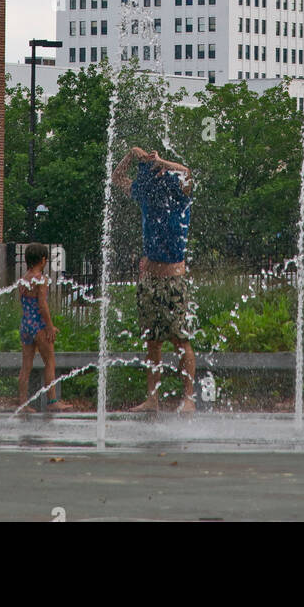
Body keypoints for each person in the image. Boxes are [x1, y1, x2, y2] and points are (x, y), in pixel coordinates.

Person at [112, 145, 195, 414]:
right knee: (152, 342)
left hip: (173, 280)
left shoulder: (177, 190)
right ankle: (152, 398)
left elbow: (188, 173)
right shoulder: (145, 192)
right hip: (150, 280)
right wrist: (131, 154)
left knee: (180, 339)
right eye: (149, 161)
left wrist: (164, 162)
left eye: (154, 160)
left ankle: (189, 398)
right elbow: (116, 178)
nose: (152, 165)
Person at [17, 243, 67, 414]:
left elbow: (24, 303)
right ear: (43, 260)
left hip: (25, 324)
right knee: (49, 362)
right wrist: (50, 326)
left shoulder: (23, 279)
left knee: (26, 366)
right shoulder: (41, 279)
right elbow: (42, 305)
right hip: (38, 325)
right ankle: (52, 400)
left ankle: (23, 403)